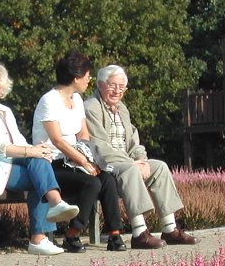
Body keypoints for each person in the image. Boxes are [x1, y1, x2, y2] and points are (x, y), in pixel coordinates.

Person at [0, 60, 80, 256]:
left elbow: (19, 141)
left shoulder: (5, 111)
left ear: (2, 90)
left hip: (3, 163)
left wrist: (39, 151)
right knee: (38, 174)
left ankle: (51, 212)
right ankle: (41, 232)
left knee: (40, 164)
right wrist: (31, 152)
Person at [84, 65, 198, 248]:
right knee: (130, 169)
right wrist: (132, 163)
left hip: (128, 162)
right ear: (99, 84)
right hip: (104, 164)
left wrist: (142, 161)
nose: (117, 91)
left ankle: (170, 229)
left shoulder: (122, 109)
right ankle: (139, 233)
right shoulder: (91, 107)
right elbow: (100, 147)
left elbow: (133, 142)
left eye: (121, 87)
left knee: (159, 167)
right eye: (112, 85)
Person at [32, 49, 126, 252]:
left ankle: (114, 234)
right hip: (52, 164)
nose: (89, 80)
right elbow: (56, 140)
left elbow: (83, 135)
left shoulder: (77, 101)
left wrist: (88, 159)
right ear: (76, 77)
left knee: (107, 179)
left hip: (74, 158)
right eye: (87, 76)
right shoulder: (49, 100)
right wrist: (83, 162)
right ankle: (72, 234)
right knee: (91, 183)